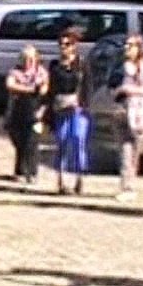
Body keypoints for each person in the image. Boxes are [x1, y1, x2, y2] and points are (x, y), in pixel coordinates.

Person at [47, 26, 91, 196]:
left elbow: (88, 87)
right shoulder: (55, 65)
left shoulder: (82, 65)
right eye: (62, 44)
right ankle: (61, 181)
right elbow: (51, 90)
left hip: (78, 109)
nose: (64, 47)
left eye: (68, 44)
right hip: (60, 108)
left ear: (75, 46)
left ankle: (79, 180)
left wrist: (82, 105)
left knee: (78, 140)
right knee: (62, 142)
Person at [113, 35, 143, 202]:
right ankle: (125, 186)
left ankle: (131, 184)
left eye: (131, 45)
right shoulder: (118, 67)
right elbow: (112, 88)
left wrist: (131, 90)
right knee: (124, 150)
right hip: (122, 109)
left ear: (138, 48)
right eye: (126, 45)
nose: (126, 48)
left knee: (135, 150)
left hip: (138, 112)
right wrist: (121, 90)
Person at [4, 45, 49, 186]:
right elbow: (10, 85)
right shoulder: (15, 71)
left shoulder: (41, 72)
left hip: (35, 111)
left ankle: (32, 172)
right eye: (25, 59)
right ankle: (20, 170)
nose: (28, 62)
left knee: (32, 142)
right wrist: (30, 89)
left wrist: (27, 89)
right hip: (17, 112)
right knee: (19, 141)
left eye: (31, 59)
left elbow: (44, 90)